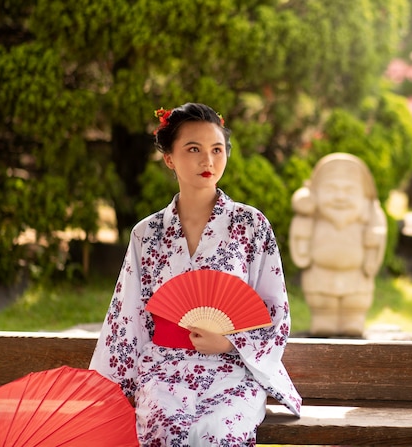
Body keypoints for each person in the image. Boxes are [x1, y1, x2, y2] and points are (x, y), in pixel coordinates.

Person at [90, 102, 301, 446]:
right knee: (166, 429)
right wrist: (111, 391)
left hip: (233, 370)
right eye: (194, 149)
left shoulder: (251, 225)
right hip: (164, 370)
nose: (208, 160)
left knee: (222, 431)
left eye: (217, 149)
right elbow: (128, 316)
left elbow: (274, 310)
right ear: (169, 158)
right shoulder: (148, 233)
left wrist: (230, 343)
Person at [289, 153, 387, 336]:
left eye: (350, 191)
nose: (340, 197)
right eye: (331, 190)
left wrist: (374, 240)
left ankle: (353, 320)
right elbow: (300, 217)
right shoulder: (314, 215)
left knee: (355, 304)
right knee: (323, 305)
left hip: (356, 276)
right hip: (320, 273)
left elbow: (378, 230)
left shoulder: (369, 214)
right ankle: (323, 319)